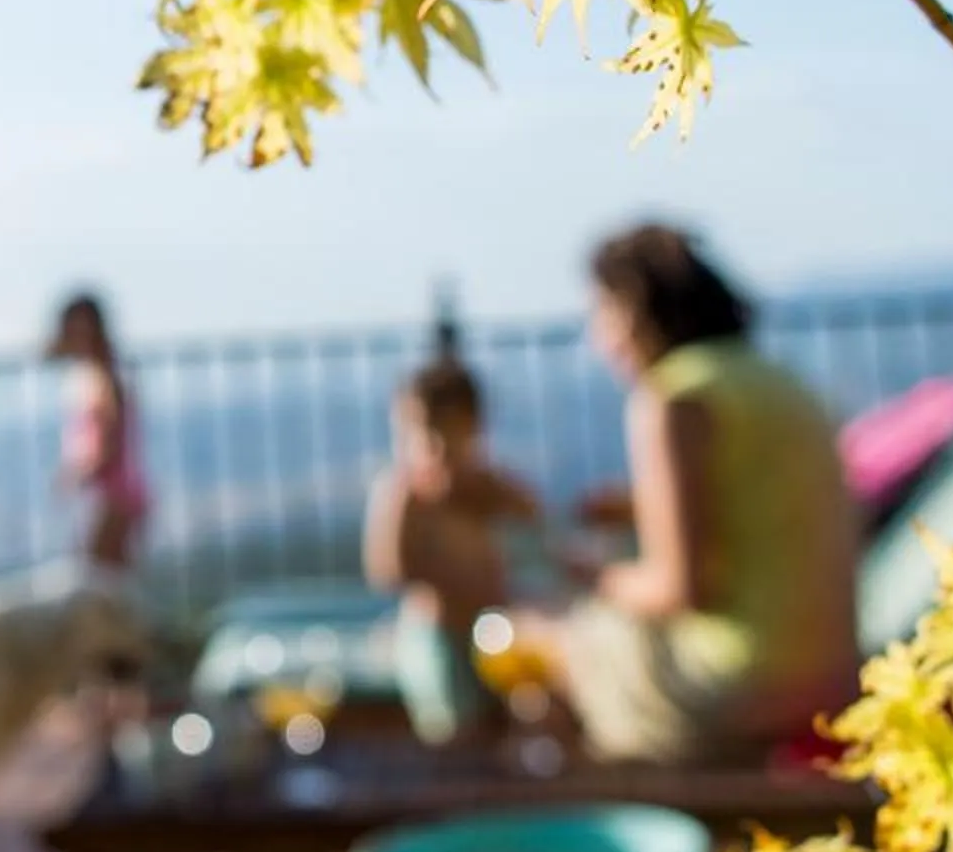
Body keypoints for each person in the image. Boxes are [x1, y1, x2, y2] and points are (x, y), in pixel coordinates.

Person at [528, 224, 858, 762]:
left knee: (550, 633)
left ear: (633, 309)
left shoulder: (671, 400)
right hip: (834, 672)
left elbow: (681, 587)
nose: (599, 338)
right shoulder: (775, 380)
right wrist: (641, 507)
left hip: (744, 686)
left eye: (602, 313)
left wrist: (595, 577)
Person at [363, 354, 542, 746]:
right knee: (454, 727)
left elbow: (534, 518)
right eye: (420, 436)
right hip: (436, 634)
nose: (435, 448)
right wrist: (451, 579)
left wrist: (490, 498)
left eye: (450, 433)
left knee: (521, 712)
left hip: (493, 631)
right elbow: (385, 569)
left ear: (476, 430)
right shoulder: (404, 493)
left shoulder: (485, 486)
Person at [48, 292, 149, 573]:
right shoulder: (94, 371)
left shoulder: (103, 374)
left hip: (112, 491)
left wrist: (80, 471)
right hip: (109, 491)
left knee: (99, 582)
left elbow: (109, 435)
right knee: (107, 580)